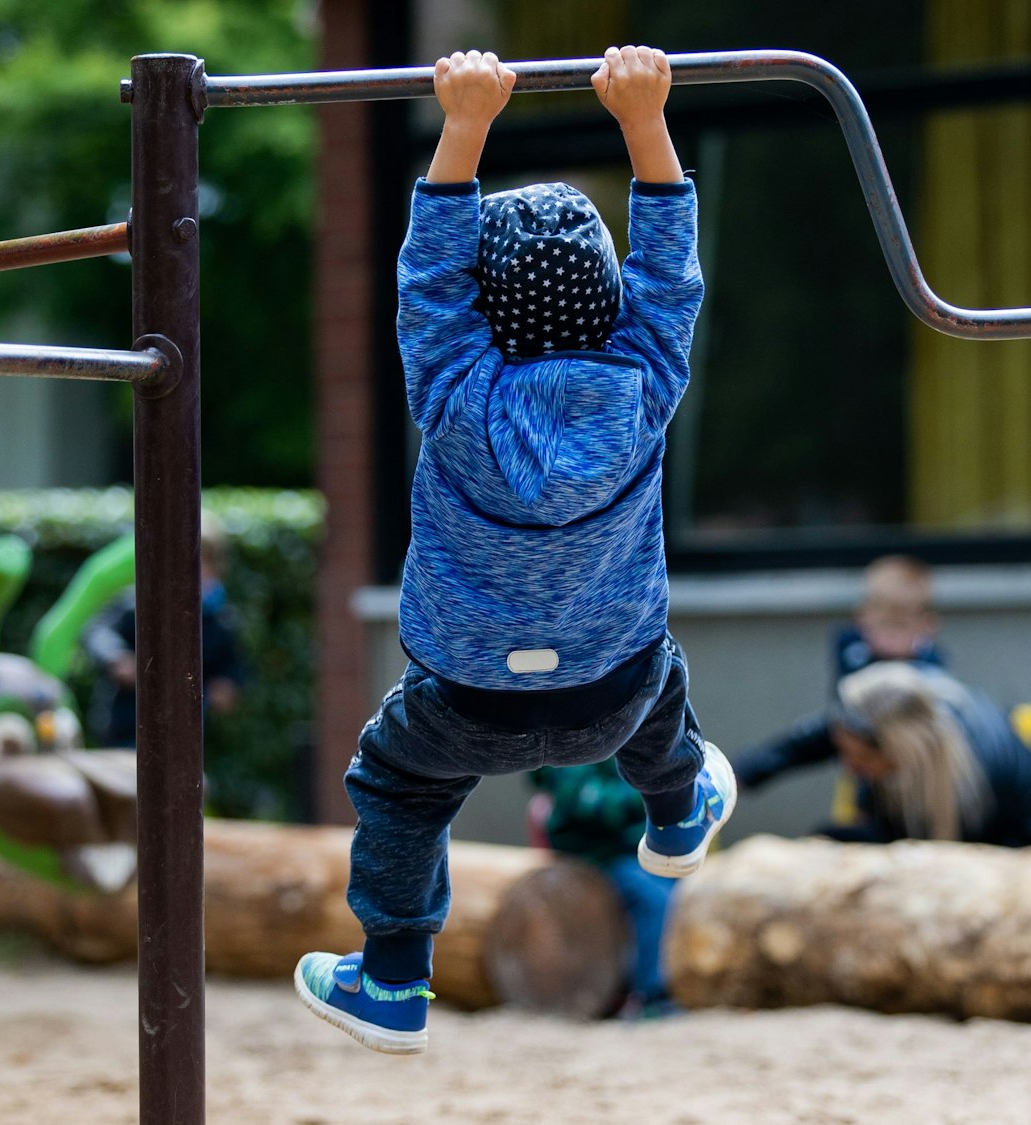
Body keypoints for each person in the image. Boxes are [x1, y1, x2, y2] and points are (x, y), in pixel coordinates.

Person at [293, 46, 732, 1056]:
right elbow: (672, 269)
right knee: (657, 675)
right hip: (610, 696)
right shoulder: (644, 382)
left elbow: (428, 274)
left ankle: (395, 982)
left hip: (463, 703)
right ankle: (674, 814)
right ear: (611, 298)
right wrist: (643, 120)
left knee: (397, 786)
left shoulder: (447, 386)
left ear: (481, 312)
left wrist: (463, 122)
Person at [815, 661, 1031, 847]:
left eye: (861, 760)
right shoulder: (885, 723)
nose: (850, 767)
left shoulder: (980, 770)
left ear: (898, 754)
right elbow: (801, 744)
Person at [733, 554, 943, 796]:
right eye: (883, 626)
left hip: (904, 775)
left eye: (901, 627)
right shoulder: (853, 653)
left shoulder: (930, 671)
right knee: (812, 739)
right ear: (862, 618)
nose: (890, 640)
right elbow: (840, 723)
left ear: (927, 627)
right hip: (860, 759)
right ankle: (741, 773)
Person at [529, 762, 679, 1017]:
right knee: (652, 899)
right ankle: (650, 996)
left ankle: (657, 986)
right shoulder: (573, 753)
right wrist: (650, 794)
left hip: (629, 853)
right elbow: (588, 805)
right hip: (592, 857)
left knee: (672, 888)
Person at [81, 516, 242, 748]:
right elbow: (98, 631)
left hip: (186, 732)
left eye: (202, 562)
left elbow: (232, 663)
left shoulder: (220, 619)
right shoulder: (138, 603)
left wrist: (227, 684)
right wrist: (116, 657)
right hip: (127, 724)